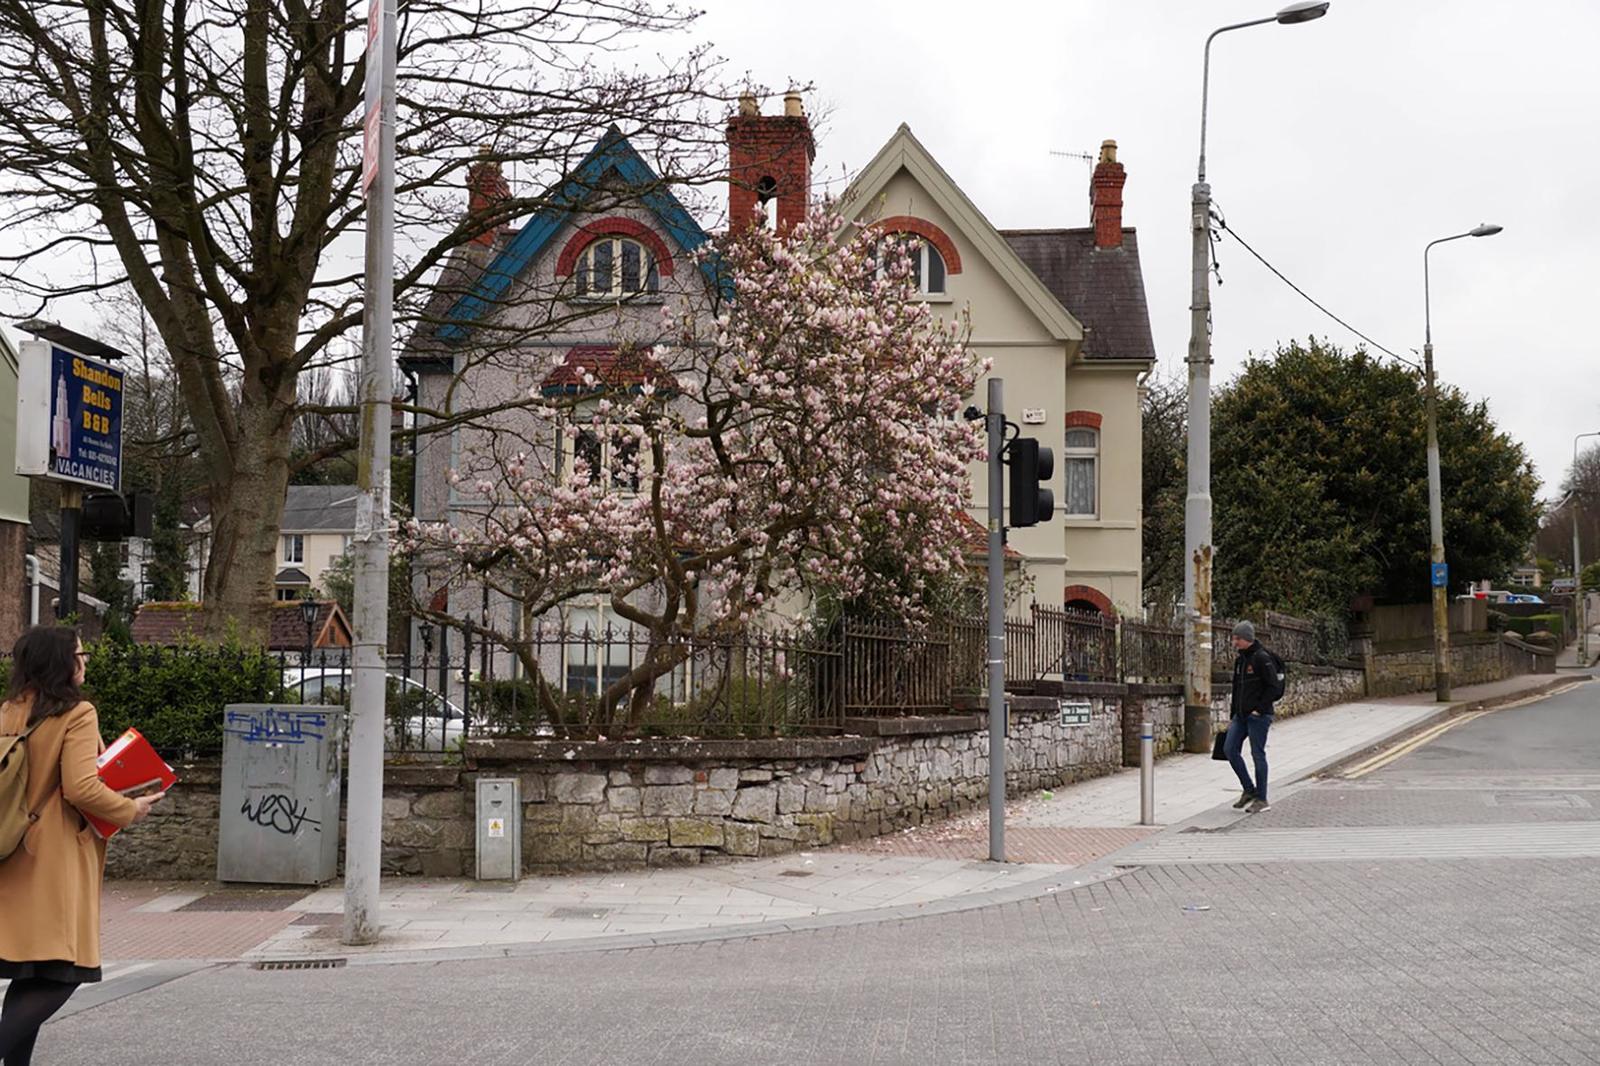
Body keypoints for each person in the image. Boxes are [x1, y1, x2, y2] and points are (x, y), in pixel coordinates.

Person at [0, 626, 161, 1065]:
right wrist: (131, 809)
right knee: (63, 971)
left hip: (13, 850)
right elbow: (81, 788)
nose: (85, 660)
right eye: (79, 652)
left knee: (30, 969)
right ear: (61, 662)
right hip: (53, 857)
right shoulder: (77, 713)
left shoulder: (9, 710)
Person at [1225, 620, 1276, 814]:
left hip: (1258, 717)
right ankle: (1249, 789)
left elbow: (1273, 687)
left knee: (1257, 754)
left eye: (1236, 638)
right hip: (1240, 716)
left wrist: (1260, 709)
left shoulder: (1261, 658)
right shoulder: (1240, 660)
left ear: (1246, 638)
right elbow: (1236, 689)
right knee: (1230, 749)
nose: (1234, 642)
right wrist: (1233, 715)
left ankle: (1262, 799)